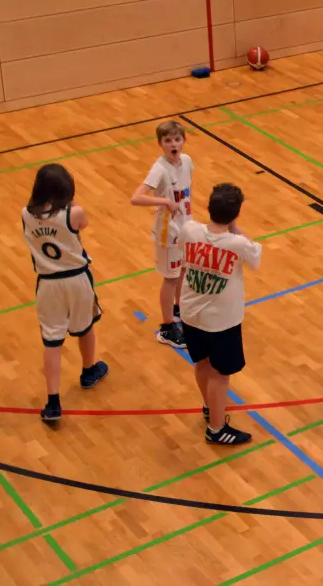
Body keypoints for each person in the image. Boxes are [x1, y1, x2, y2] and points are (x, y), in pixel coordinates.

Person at [23, 164, 108, 424]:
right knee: (85, 327)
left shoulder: (26, 213)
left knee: (52, 341)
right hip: (76, 279)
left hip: (47, 283)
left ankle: (52, 401)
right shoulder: (74, 212)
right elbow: (84, 223)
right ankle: (89, 371)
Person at [180, 183, 263, 447]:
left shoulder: (190, 229)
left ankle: (210, 407)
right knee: (220, 374)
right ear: (236, 214)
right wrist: (234, 226)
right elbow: (255, 257)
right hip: (221, 321)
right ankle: (216, 428)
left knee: (202, 363)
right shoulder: (237, 243)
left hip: (190, 313)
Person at [129, 120, 192, 350]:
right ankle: (167, 328)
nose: (173, 144)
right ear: (160, 144)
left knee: (183, 270)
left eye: (177, 139)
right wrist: (164, 201)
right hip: (168, 232)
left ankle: (178, 309)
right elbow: (136, 197)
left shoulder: (186, 161)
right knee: (171, 277)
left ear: (184, 141)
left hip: (185, 226)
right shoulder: (159, 169)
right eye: (167, 140)